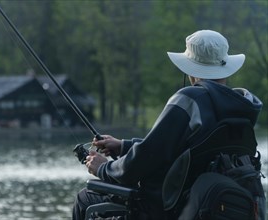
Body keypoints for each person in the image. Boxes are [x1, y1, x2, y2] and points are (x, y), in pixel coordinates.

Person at [72, 30, 263, 220]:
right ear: (225, 66)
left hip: (164, 208)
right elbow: (182, 152)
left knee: (85, 199)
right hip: (206, 205)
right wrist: (124, 146)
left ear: (190, 69)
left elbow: (144, 159)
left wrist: (103, 168)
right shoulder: (243, 106)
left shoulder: (189, 100)